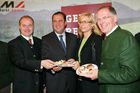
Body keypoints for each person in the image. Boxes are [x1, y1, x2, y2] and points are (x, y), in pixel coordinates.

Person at [85, 6, 140, 93]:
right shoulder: (106, 37)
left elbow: (132, 73)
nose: (101, 22)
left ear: (115, 18)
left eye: (105, 17)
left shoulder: (125, 37)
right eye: (98, 19)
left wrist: (99, 74)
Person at [8, 15, 55, 93]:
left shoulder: (39, 42)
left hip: (39, 87)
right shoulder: (13, 44)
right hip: (23, 87)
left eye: (30, 25)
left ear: (33, 26)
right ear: (19, 27)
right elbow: (20, 61)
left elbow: (45, 59)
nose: (27, 28)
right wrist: (41, 63)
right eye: (24, 25)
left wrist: (53, 68)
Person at [41, 11, 77, 93]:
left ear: (65, 23)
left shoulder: (73, 37)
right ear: (52, 23)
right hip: (55, 83)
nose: (57, 23)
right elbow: (44, 59)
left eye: (60, 21)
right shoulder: (45, 39)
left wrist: (74, 61)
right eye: (54, 21)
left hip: (72, 83)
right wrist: (52, 69)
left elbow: (77, 56)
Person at [71, 12, 102, 93]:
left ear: (92, 24)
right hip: (79, 81)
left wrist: (80, 64)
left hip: (91, 82)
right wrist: (72, 61)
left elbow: (99, 62)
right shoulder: (78, 40)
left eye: (85, 22)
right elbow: (78, 58)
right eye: (80, 22)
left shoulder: (97, 39)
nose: (82, 24)